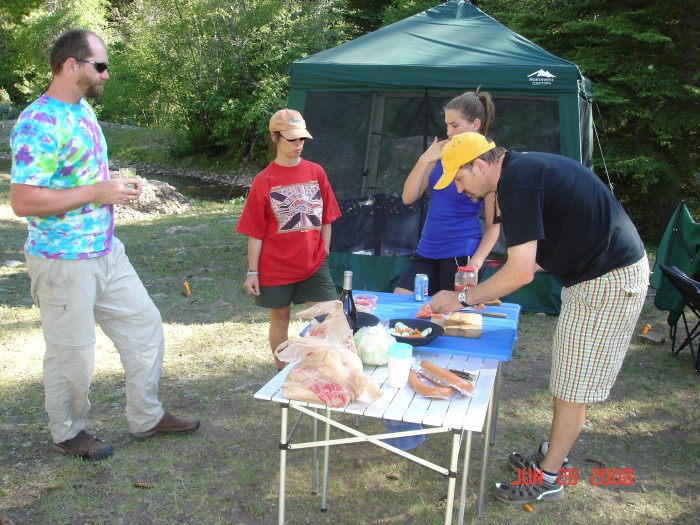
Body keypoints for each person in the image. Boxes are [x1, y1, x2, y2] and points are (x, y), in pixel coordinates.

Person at [9, 29, 200, 461]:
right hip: (63, 262)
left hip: (107, 251)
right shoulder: (38, 122)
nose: (106, 74)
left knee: (145, 328)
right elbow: (23, 201)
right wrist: (97, 192)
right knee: (72, 356)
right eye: (100, 65)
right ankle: (67, 431)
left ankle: (147, 416)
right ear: (70, 65)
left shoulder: (85, 113)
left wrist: (114, 187)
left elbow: (85, 180)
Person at [429, 132, 649, 504]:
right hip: (600, 276)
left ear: (480, 165)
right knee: (568, 380)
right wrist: (487, 292)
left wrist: (463, 299)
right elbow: (538, 252)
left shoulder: (516, 182)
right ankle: (552, 457)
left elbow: (522, 272)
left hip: (607, 281)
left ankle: (549, 476)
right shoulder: (519, 170)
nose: (462, 190)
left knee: (570, 388)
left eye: (461, 179)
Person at [236, 109, 341, 370]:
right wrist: (252, 271)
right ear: (274, 137)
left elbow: (327, 216)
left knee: (328, 318)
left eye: (301, 139)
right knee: (280, 319)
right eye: (291, 139)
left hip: (314, 263)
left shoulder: (316, 172)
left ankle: (325, 367)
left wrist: (324, 249)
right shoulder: (264, 180)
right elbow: (256, 232)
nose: (298, 145)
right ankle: (281, 372)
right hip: (276, 266)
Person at [394, 90, 500, 296]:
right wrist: (424, 159)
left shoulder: (485, 164)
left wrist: (475, 264)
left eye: (455, 125)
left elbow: (493, 226)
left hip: (462, 251)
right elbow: (408, 197)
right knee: (402, 302)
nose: (449, 132)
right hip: (426, 249)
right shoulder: (443, 152)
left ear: (475, 125)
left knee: (449, 317)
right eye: (446, 125)